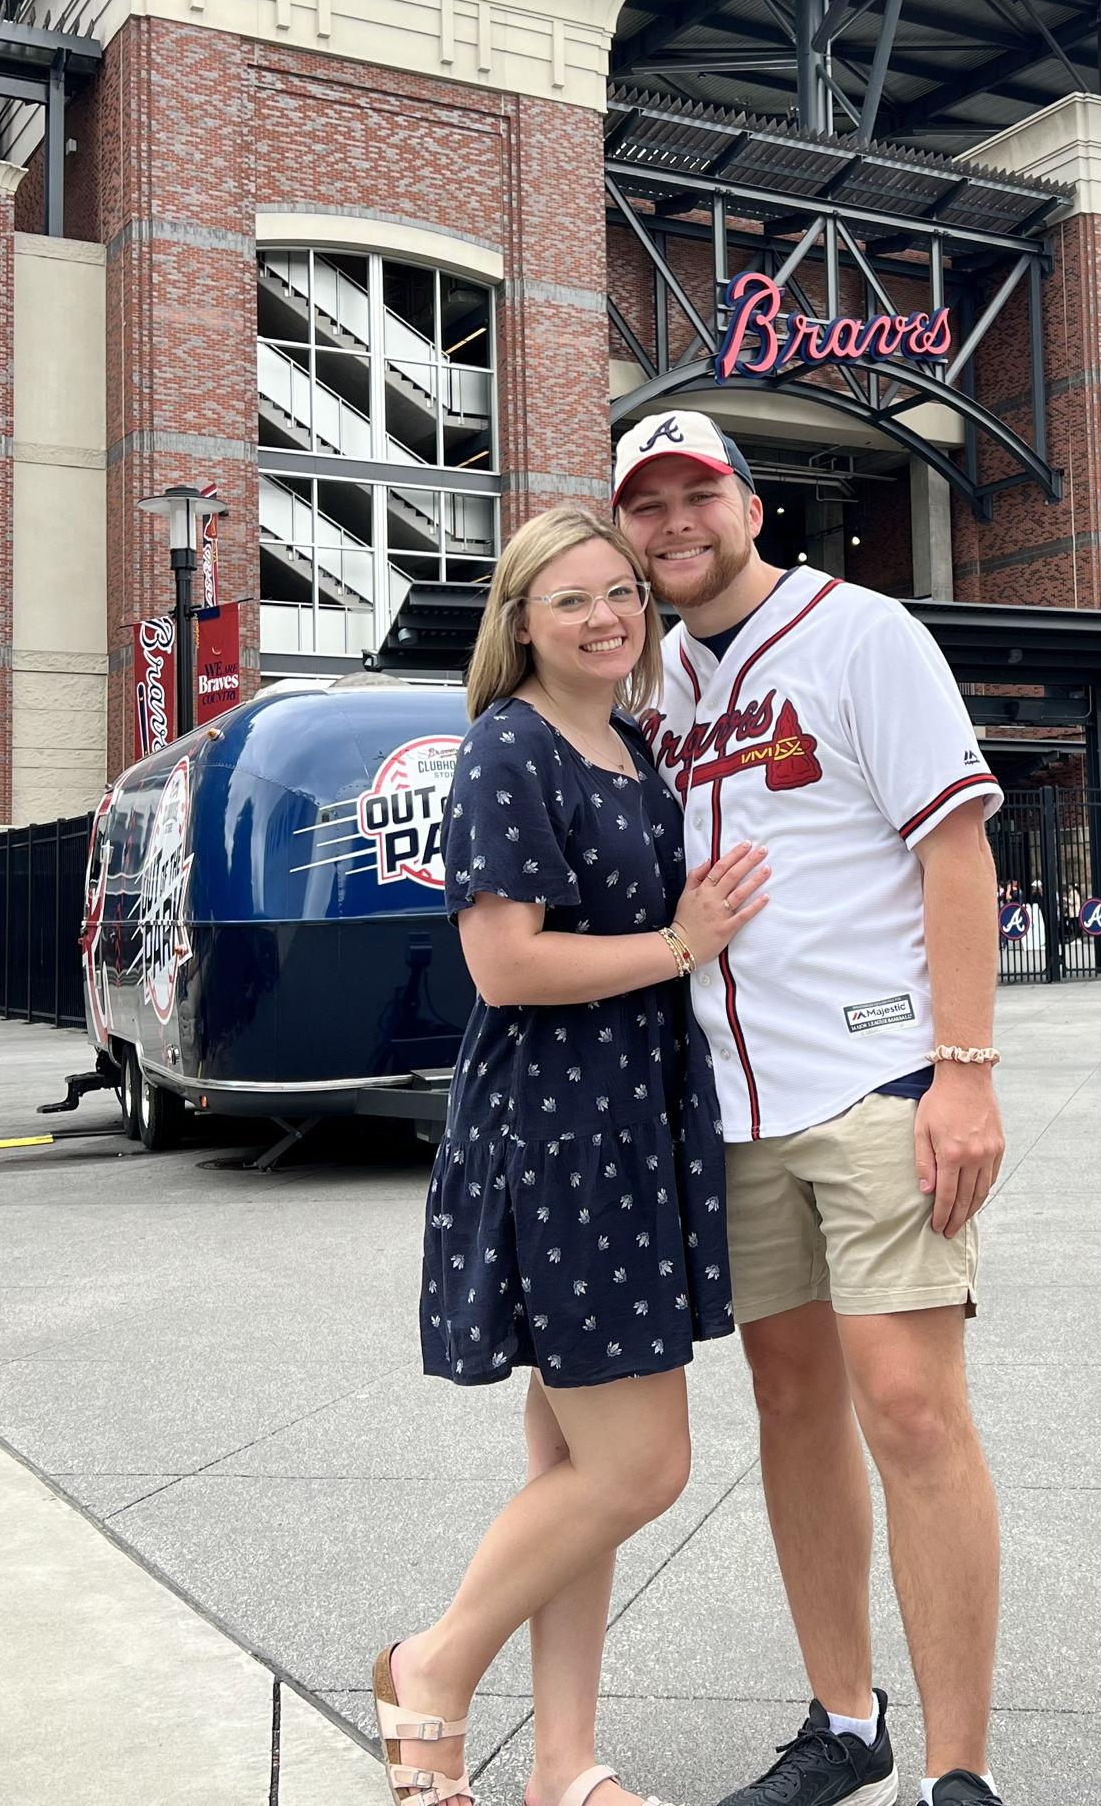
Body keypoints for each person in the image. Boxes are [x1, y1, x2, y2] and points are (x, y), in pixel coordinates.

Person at [613, 410, 1009, 1806]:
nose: (675, 523)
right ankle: (847, 1717)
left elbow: (955, 849)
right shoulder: (652, 689)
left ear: (750, 501)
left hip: (876, 1073)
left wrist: (966, 1068)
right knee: (790, 1399)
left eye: (696, 493)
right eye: (646, 504)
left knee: (909, 1404)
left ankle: (957, 1766)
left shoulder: (865, 635)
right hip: (726, 1100)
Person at [372, 506, 771, 1806]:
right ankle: (433, 1665)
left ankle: (563, 1761)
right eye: (572, 597)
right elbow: (505, 961)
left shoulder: (634, 744)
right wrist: (680, 943)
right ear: (520, 622)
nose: (608, 614)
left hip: (632, 1124)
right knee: (639, 1463)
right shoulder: (508, 749)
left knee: (575, 1469)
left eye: (620, 591)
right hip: (557, 1131)